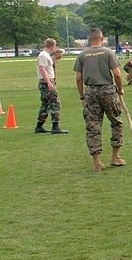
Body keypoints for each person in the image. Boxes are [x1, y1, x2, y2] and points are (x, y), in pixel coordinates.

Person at [73, 27, 126, 172]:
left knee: (93, 126)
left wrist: (82, 95)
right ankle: (115, 157)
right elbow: (117, 74)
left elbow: (78, 78)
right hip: (108, 91)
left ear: (90, 39)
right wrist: (120, 89)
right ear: (102, 39)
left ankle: (97, 162)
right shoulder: (108, 52)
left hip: (90, 92)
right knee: (116, 122)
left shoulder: (82, 55)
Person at [35, 37, 69, 134]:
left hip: (46, 82)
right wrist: (49, 82)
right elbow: (42, 69)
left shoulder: (45, 55)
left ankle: (39, 126)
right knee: (55, 103)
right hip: (46, 82)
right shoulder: (44, 56)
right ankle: (55, 126)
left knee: (45, 105)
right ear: (53, 46)